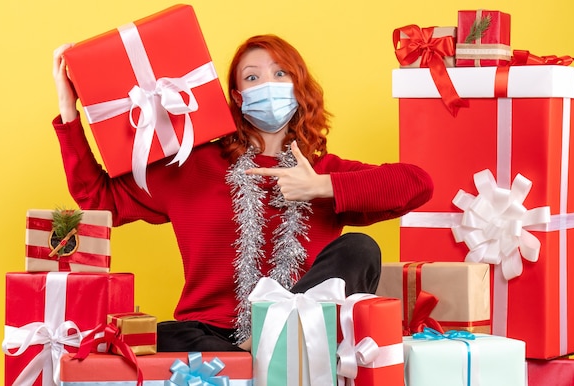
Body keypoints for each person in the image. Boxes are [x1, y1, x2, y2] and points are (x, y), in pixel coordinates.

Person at [51, 34, 433, 352]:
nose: (267, 84)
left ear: (298, 89)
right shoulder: (192, 164)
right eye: (253, 78)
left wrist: (320, 186)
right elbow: (99, 199)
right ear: (236, 96)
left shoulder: (324, 171)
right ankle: (255, 355)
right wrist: (69, 111)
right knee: (163, 335)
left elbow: (417, 185)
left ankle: (272, 338)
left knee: (361, 249)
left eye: (280, 73)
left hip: (302, 335)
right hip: (213, 336)